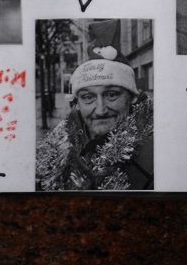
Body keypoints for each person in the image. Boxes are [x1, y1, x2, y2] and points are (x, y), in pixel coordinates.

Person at [36, 20, 154, 190]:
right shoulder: (58, 145)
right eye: (88, 97)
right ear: (76, 103)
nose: (100, 110)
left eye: (112, 94)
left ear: (132, 97)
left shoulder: (158, 152)